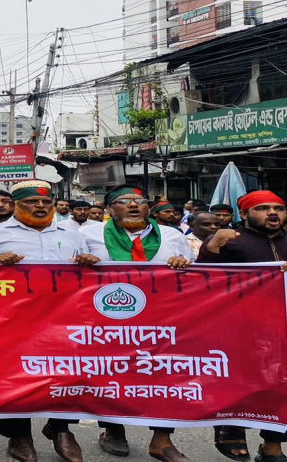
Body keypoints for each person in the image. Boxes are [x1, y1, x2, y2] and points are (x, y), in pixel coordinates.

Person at [0, 180, 100, 462]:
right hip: (12, 318)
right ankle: (19, 435)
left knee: (65, 372)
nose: (40, 207)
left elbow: (86, 273)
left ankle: (61, 427)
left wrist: (90, 262)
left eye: (46, 202)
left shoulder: (72, 233)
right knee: (15, 376)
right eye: (31, 202)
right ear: (16, 205)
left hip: (63, 317)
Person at [198, 191, 287, 462]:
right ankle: (231, 425)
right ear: (245, 214)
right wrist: (211, 248)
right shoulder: (227, 241)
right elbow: (202, 280)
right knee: (240, 379)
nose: (273, 213)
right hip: (243, 328)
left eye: (279, 208)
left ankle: (272, 445)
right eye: (262, 208)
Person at [80, 186, 194, 462]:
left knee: (166, 375)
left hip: (163, 319)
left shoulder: (171, 235)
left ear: (148, 208)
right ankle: (113, 430)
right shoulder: (86, 234)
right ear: (109, 209)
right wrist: (82, 263)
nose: (133, 206)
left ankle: (162, 440)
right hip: (107, 318)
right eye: (123, 202)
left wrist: (184, 264)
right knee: (109, 375)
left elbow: (195, 271)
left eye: (139, 202)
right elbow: (65, 270)